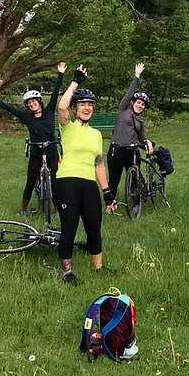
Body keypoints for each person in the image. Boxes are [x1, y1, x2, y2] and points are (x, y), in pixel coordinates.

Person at [56, 65, 117, 285]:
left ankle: (98, 267)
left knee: (94, 226)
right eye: (82, 104)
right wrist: (75, 82)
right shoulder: (67, 127)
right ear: (75, 109)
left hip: (89, 183)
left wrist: (107, 191)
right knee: (70, 226)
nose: (87, 108)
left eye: (90, 105)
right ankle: (67, 271)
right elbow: (61, 107)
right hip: (67, 182)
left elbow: (99, 163)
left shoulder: (96, 134)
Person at [0, 63, 65, 217]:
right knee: (30, 181)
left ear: (39, 102)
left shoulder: (49, 111)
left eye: (34, 102)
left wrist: (60, 74)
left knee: (55, 181)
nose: (32, 105)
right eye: (29, 104)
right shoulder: (27, 117)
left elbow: (55, 94)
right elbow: (10, 109)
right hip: (36, 153)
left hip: (52, 152)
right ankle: (23, 210)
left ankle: (56, 209)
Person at [107, 62, 153, 197]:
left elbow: (142, 139)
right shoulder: (124, 110)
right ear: (133, 103)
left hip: (131, 151)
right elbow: (129, 93)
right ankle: (110, 204)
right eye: (138, 102)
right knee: (114, 180)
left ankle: (136, 201)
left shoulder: (140, 122)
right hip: (117, 150)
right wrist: (136, 76)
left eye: (143, 104)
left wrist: (148, 143)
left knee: (135, 179)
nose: (140, 106)